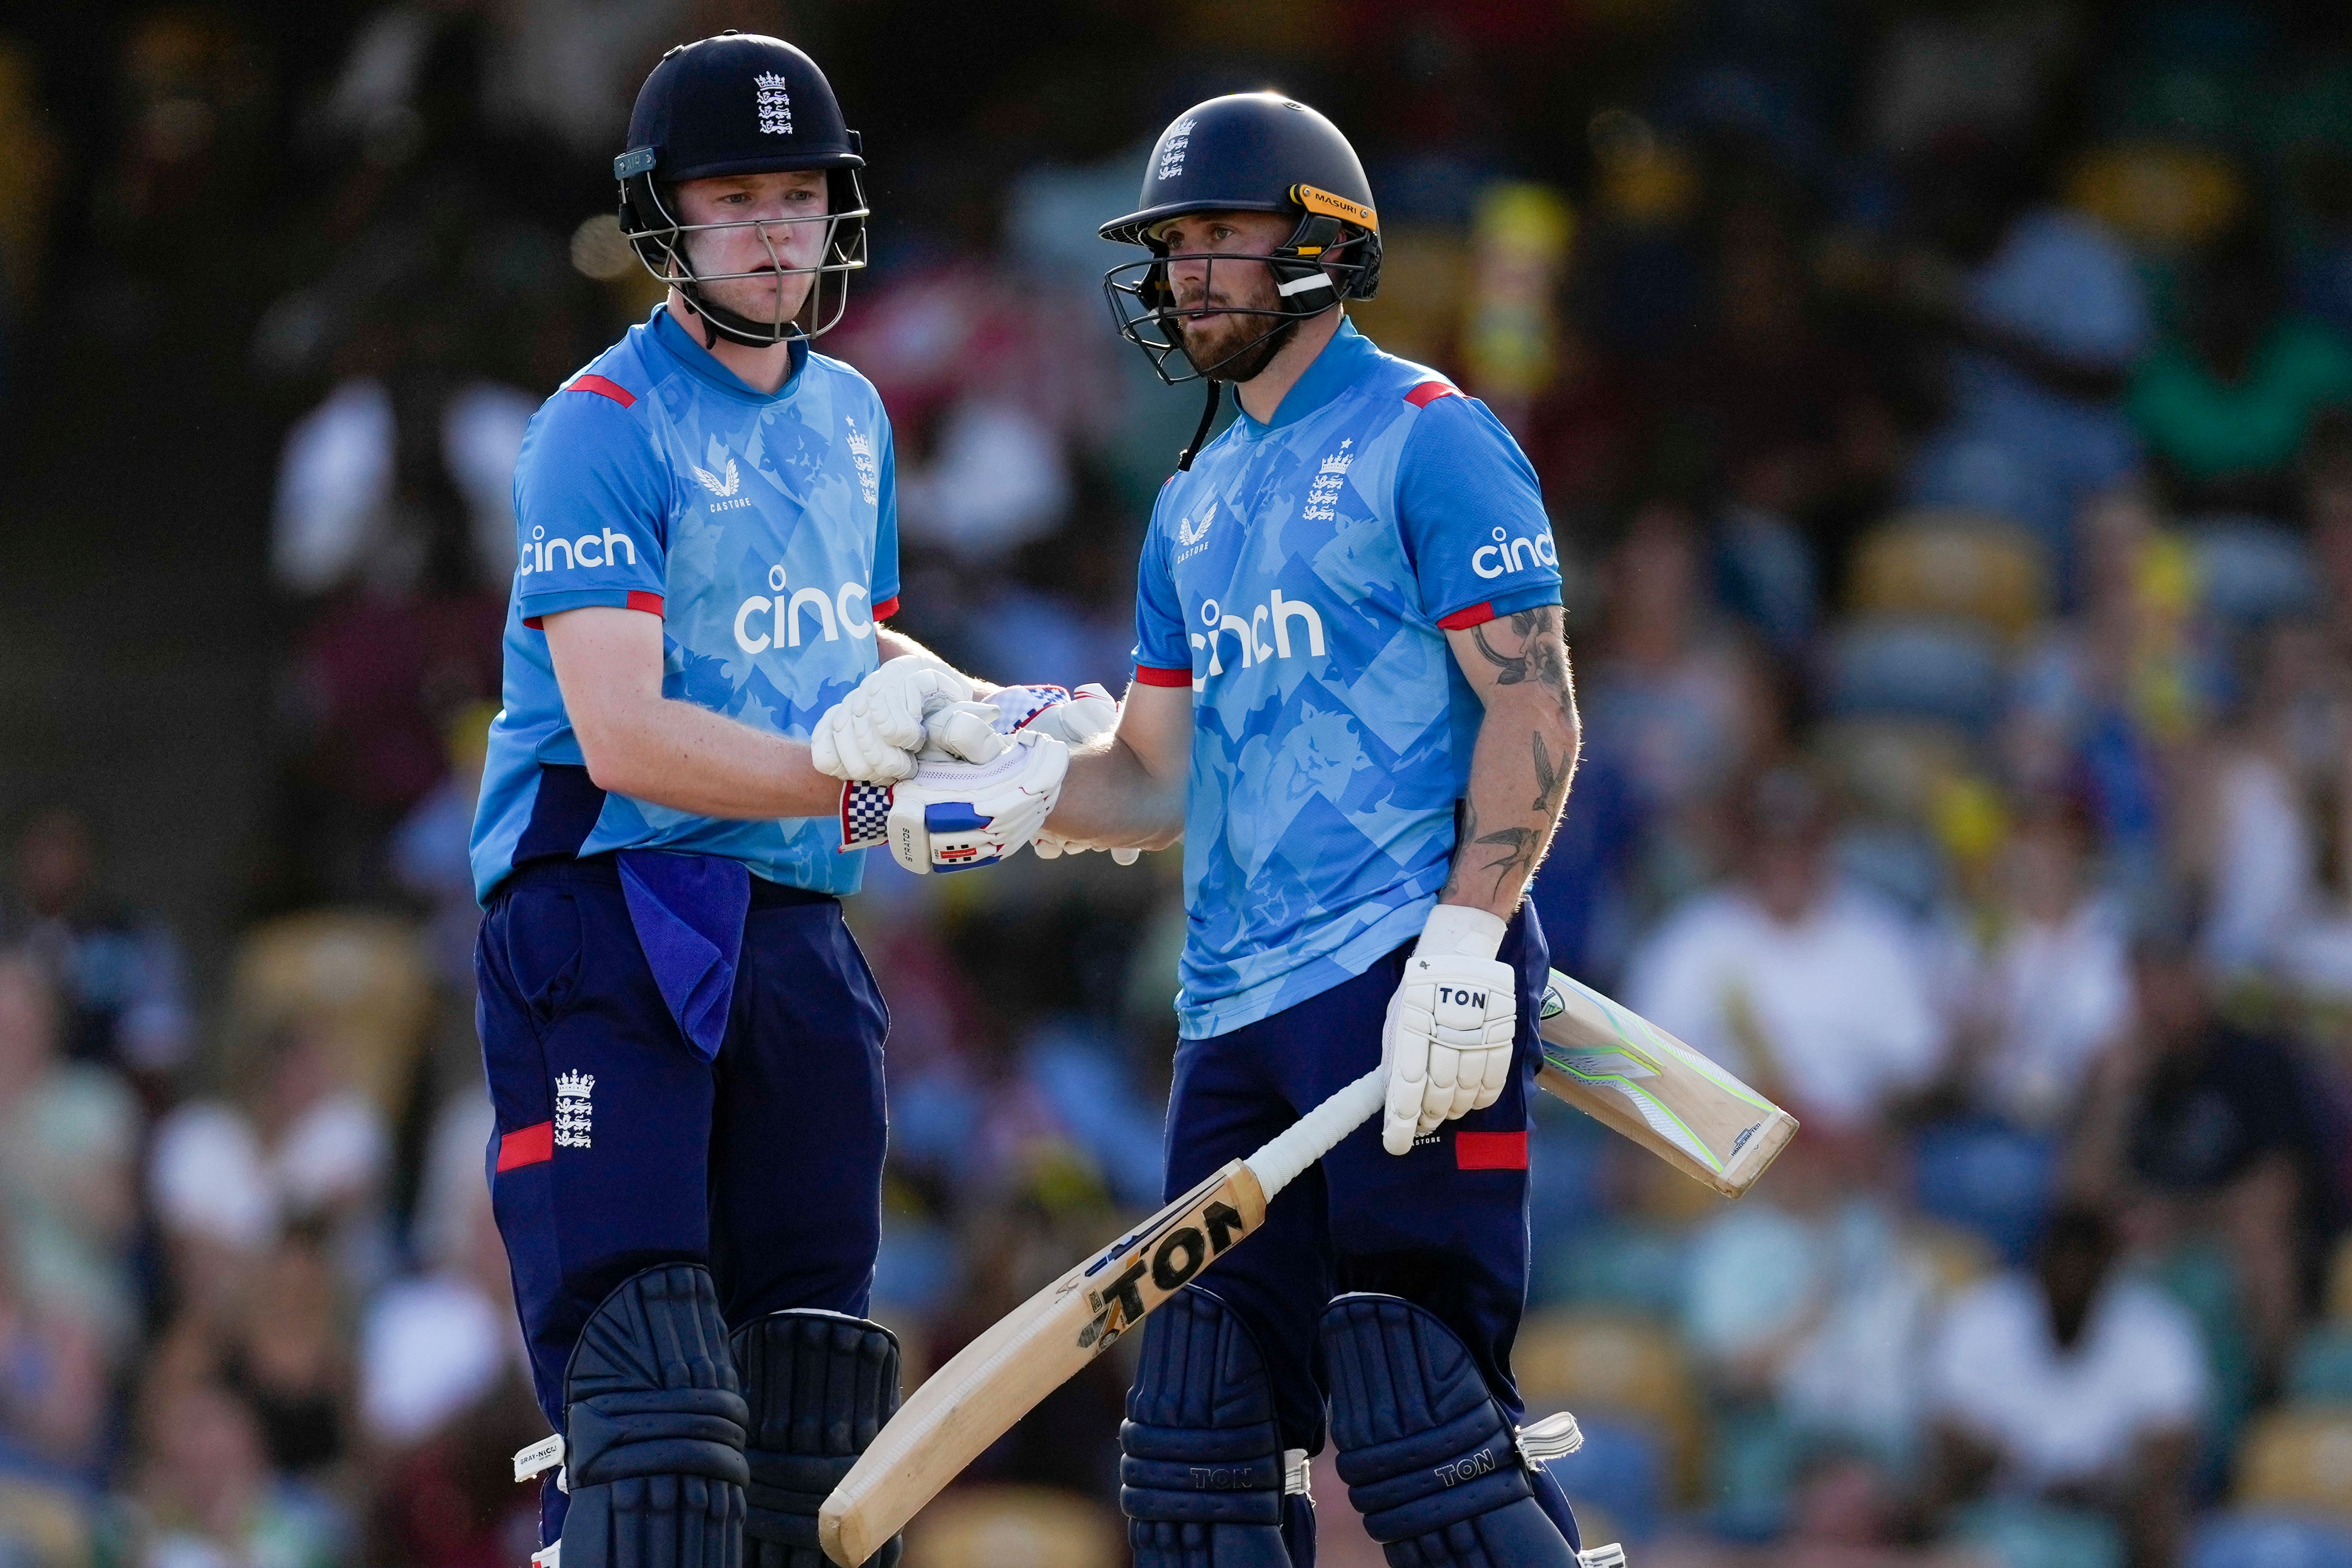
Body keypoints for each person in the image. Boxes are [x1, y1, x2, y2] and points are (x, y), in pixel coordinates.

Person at [836, 93, 1590, 1567]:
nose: (1188, 273)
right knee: (1196, 1445)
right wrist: (1017, 792)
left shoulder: (1431, 437)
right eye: (1174, 246)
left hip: (1403, 983)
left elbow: (1537, 714)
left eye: (1222, 240)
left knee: (1416, 1415)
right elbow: (1159, 779)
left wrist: (1464, 943)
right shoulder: (1189, 504)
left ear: (1320, 244)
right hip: (1233, 1020)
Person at [464, 34, 1053, 1568]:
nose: (777, 231)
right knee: (654, 1412)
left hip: (797, 926)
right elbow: (621, 731)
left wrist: (975, 721)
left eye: (801, 194)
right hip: (611, 913)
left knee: (811, 1428)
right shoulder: (596, 423)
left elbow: (841, 664)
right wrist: (843, 770)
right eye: (738, 198)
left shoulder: (853, 416)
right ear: (668, 217)